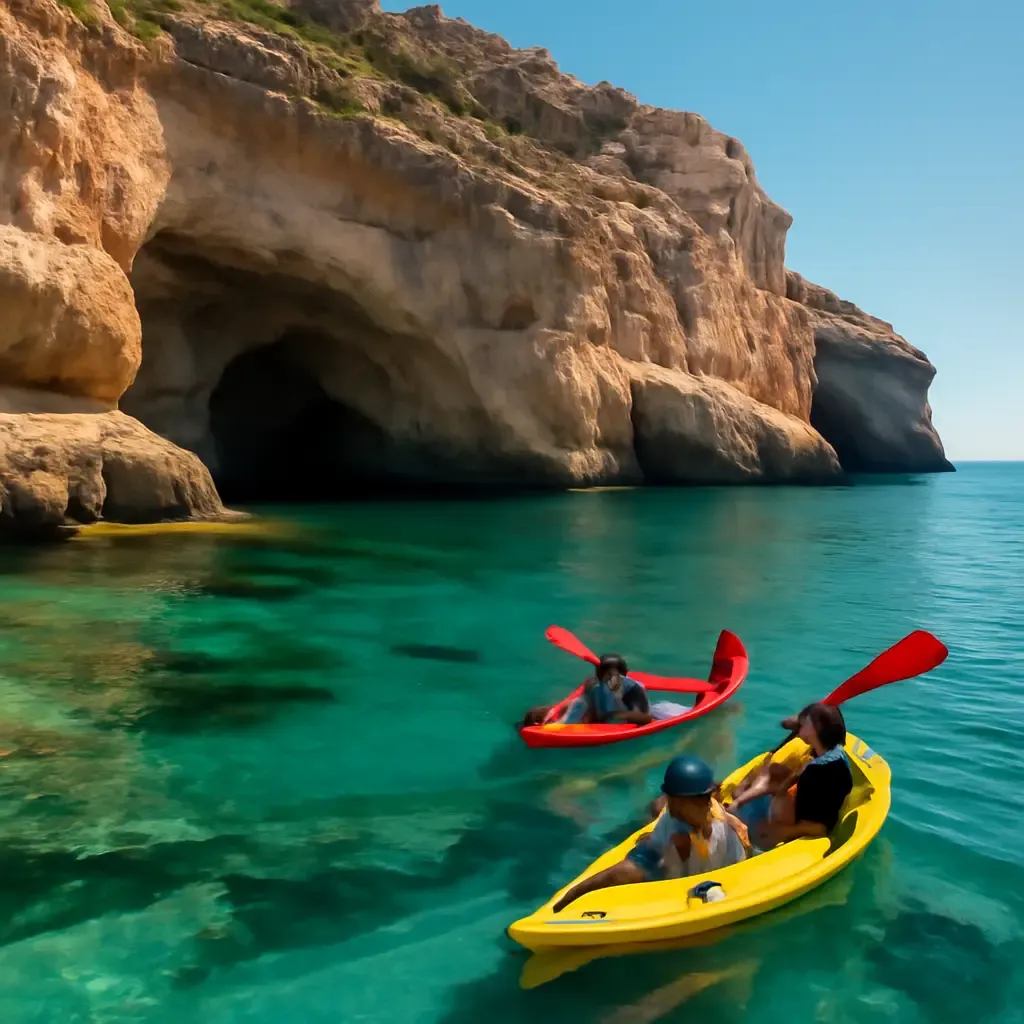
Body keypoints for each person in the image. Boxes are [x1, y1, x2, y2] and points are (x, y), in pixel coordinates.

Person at [552, 755, 748, 912]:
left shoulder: (721, 827)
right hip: (665, 854)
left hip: (707, 862)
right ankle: (564, 903)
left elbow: (735, 869)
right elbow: (625, 870)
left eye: (705, 798)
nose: (704, 804)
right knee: (626, 869)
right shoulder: (669, 825)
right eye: (698, 799)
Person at [728, 702, 853, 849]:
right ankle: (740, 806)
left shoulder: (824, 773)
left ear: (816, 728)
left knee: (754, 834)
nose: (799, 727)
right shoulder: (829, 756)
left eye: (804, 724)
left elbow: (820, 825)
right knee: (769, 776)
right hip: (792, 812)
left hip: (800, 829)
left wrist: (781, 832)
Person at [520, 654, 653, 728]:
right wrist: (555, 712)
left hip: (616, 719)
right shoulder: (594, 684)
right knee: (576, 703)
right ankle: (550, 722)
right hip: (595, 716)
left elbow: (645, 719)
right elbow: (580, 703)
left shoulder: (633, 690)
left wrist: (615, 715)